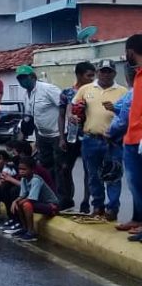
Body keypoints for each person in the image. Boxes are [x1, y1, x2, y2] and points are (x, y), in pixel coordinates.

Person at [71, 59, 127, 220]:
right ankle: (98, 206)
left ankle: (112, 209)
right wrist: (73, 116)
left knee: (113, 175)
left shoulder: (123, 91)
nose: (106, 74)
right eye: (103, 70)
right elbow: (73, 107)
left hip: (113, 141)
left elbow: (129, 115)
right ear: (98, 72)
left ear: (115, 73)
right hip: (90, 139)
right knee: (93, 175)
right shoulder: (85, 89)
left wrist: (115, 109)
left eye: (109, 71)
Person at [16, 65, 64, 198]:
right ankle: (50, 196)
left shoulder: (48, 89)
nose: (22, 81)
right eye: (19, 79)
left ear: (33, 77)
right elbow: (29, 118)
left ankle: (64, 200)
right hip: (42, 135)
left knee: (61, 169)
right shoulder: (26, 95)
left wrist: (63, 136)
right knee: (45, 168)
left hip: (57, 134)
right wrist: (21, 140)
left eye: (25, 77)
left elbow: (64, 106)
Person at [58, 61, 96, 212]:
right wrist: (61, 137)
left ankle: (86, 201)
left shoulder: (94, 92)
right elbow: (61, 116)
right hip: (72, 136)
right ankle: (67, 198)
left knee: (89, 170)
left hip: (89, 136)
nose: (92, 78)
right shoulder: (67, 93)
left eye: (93, 75)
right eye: (89, 75)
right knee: (65, 168)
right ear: (79, 75)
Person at [5, 156, 60, 242]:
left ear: (32, 170)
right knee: (19, 203)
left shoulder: (36, 180)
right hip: (39, 203)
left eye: (24, 169)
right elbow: (23, 195)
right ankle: (24, 228)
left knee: (26, 204)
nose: (21, 171)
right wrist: (15, 201)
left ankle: (31, 232)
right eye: (20, 169)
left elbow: (32, 199)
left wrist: (19, 202)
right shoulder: (24, 179)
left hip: (51, 206)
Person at [121, 35, 142, 238]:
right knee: (135, 183)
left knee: (138, 182)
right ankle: (137, 218)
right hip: (131, 138)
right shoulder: (138, 75)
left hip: (139, 139)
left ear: (130, 51)